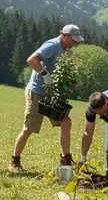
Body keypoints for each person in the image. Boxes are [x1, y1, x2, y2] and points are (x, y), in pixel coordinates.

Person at [9, 24, 83, 172]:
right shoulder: (52, 45)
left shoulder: (66, 52)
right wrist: (45, 75)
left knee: (65, 122)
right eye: (74, 40)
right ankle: (14, 162)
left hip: (52, 93)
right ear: (64, 36)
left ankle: (65, 160)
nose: (76, 43)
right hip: (36, 92)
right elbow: (31, 60)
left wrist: (68, 82)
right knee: (28, 128)